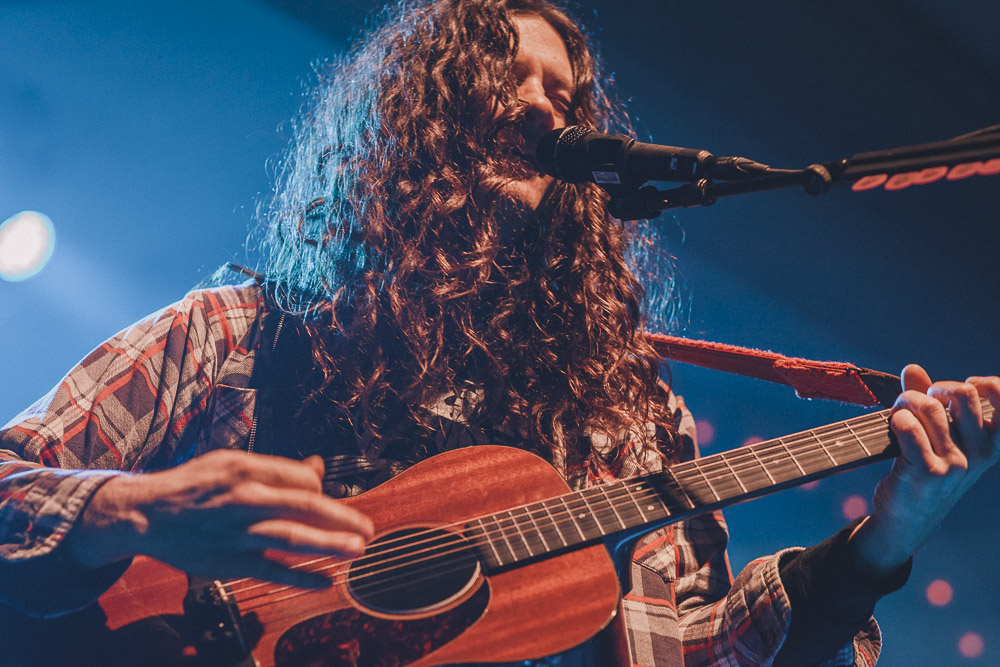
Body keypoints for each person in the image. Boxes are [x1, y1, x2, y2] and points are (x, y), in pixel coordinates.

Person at [1, 0, 997, 665]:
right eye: (498, 74)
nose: (539, 105)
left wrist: (884, 540)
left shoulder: (631, 423)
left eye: (561, 96)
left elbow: (696, 652)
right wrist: (132, 515)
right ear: (411, 111)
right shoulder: (235, 333)